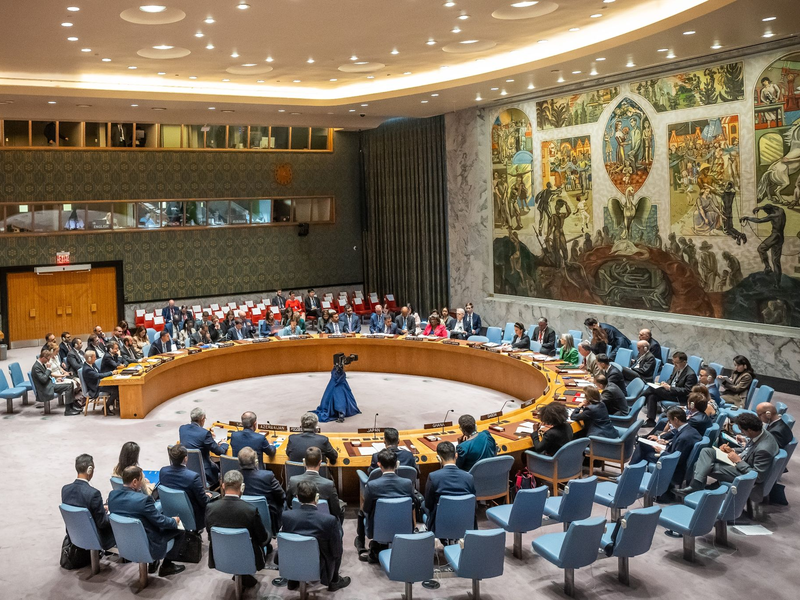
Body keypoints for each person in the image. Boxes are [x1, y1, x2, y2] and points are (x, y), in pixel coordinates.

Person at [678, 413, 779, 500]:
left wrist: (738, 461)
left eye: (742, 430)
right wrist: (732, 450)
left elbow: (758, 477)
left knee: (701, 465)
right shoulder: (760, 433)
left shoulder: (764, 449)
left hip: (745, 475)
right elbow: (749, 450)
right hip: (742, 461)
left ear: (750, 430)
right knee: (707, 451)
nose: (741, 433)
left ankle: (696, 488)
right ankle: (697, 486)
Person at [108, 466, 185, 577]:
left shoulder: (112, 495)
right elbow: (160, 521)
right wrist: (174, 521)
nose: (143, 482)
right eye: (142, 479)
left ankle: (154, 564)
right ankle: (166, 566)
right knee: (179, 530)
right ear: (135, 482)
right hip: (148, 542)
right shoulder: (143, 500)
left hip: (124, 541)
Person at [281, 481, 351, 591]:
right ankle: (334, 581)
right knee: (337, 546)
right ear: (317, 497)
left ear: (297, 498)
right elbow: (336, 552)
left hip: (293, 560)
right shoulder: (329, 520)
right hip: (320, 565)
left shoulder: (286, 516)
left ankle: (293, 580)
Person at [205, 470, 269, 588]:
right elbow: (262, 537)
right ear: (242, 487)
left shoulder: (210, 507)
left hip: (220, 554)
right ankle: (244, 574)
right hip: (248, 556)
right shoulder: (250, 510)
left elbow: (210, 535)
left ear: (223, 486)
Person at [356, 449, 415, 563]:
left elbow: (367, 509)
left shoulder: (372, 485)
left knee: (361, 512)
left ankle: (361, 545)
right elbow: (412, 506)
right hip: (403, 525)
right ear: (397, 464)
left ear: (379, 465)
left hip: (378, 528)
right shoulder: (407, 483)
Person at [629, 406, 701, 489]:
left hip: (673, 465)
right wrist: (667, 442)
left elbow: (676, 459)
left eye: (670, 421)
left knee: (646, 454)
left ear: (676, 419)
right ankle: (632, 472)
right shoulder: (690, 429)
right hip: (671, 451)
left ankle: (630, 474)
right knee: (643, 445)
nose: (669, 424)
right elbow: (679, 448)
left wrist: (662, 452)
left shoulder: (684, 437)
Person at [61, 453, 115, 550]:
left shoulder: (65, 489)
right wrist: (113, 514)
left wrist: (100, 508)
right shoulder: (94, 494)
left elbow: (79, 507)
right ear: (90, 470)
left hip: (75, 535)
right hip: (97, 538)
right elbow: (102, 523)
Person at [424, 441, 476, 534]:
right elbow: (473, 503)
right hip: (465, 521)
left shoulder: (433, 477)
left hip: (441, 523)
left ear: (439, 458)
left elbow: (428, 504)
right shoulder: (469, 477)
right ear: (456, 455)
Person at [286, 446, 345, 523]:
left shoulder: (293, 481)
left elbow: (288, 504)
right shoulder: (329, 485)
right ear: (320, 463)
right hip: (323, 524)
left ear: (304, 462)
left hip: (298, 521)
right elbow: (335, 511)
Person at [159, 444, 209, 531]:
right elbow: (203, 501)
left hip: (170, 512)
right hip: (193, 516)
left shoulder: (163, 471)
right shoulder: (193, 477)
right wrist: (208, 496)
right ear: (185, 458)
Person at [643, 351, 698, 426]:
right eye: (673, 362)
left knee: (652, 388)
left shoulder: (691, 374)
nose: (674, 364)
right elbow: (671, 379)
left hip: (679, 397)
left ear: (684, 362)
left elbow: (687, 391)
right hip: (670, 392)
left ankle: (638, 400)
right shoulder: (676, 368)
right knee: (652, 396)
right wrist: (665, 384)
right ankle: (651, 420)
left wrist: (670, 388)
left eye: (677, 363)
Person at [238, 447, 285, 534]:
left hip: (243, 516)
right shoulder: (267, 476)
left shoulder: (235, 477)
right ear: (256, 462)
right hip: (269, 517)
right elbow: (281, 496)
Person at [179, 408, 229, 486]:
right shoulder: (205, 434)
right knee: (222, 467)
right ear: (202, 419)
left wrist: (208, 436)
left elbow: (194, 437)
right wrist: (224, 443)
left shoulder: (182, 429)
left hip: (187, 469)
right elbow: (219, 451)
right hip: (205, 474)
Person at [32, 348, 79, 415]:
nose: (48, 361)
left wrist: (55, 379)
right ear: (43, 358)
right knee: (68, 387)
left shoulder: (41, 364)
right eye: (47, 359)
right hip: (44, 389)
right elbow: (43, 380)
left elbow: (47, 377)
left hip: (49, 385)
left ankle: (72, 407)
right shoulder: (36, 367)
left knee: (70, 384)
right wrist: (48, 369)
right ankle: (68, 410)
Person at [81, 350, 117, 415]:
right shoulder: (87, 369)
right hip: (95, 388)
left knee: (116, 386)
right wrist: (111, 373)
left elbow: (100, 373)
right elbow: (98, 375)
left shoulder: (92, 364)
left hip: (99, 383)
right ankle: (105, 408)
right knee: (115, 390)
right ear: (89, 358)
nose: (95, 358)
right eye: (94, 357)